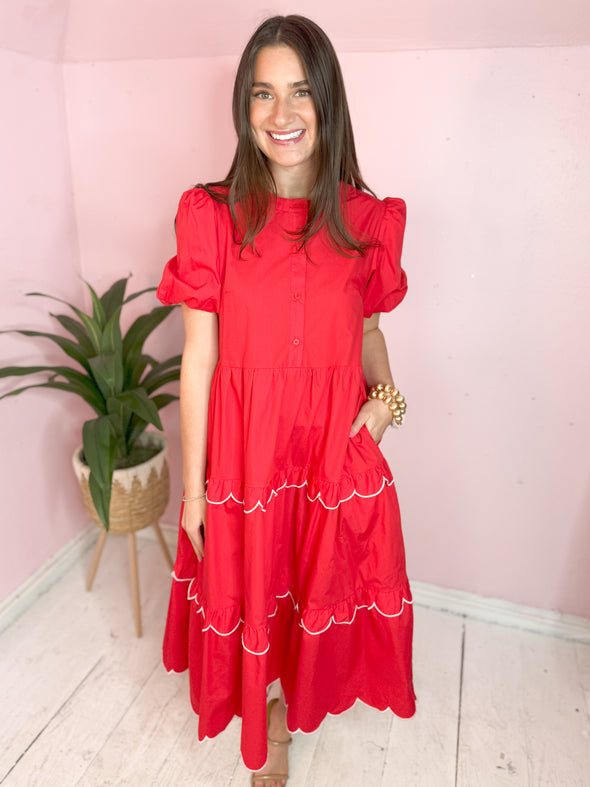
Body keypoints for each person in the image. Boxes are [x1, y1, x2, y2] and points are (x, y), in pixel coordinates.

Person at [157, 14, 416, 786]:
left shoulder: (367, 221)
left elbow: (369, 334)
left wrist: (385, 402)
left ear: (327, 101)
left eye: (300, 91)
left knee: (313, 587)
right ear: (244, 107)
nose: (281, 113)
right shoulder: (212, 215)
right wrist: (196, 486)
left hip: (329, 450)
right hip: (245, 453)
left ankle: (293, 704)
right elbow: (197, 358)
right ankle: (265, 719)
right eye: (262, 94)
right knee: (255, 586)